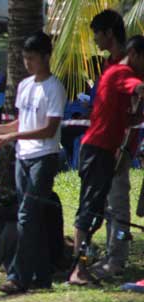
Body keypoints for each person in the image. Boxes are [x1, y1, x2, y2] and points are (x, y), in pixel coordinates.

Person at [0, 32, 67, 294]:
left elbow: (48, 129)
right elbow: (24, 122)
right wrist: (0, 129)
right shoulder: (25, 86)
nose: (28, 63)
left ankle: (18, 276)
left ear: (46, 57)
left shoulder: (55, 88)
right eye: (25, 59)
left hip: (43, 158)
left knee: (26, 216)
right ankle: (42, 277)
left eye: (32, 59)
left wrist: (12, 135)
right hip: (23, 157)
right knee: (32, 218)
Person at [70, 35, 144, 285]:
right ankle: (107, 260)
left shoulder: (117, 74)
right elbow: (137, 88)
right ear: (134, 55)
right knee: (107, 208)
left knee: (112, 207)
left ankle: (112, 258)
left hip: (117, 151)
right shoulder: (122, 74)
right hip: (104, 151)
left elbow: (128, 116)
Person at [87, 10, 132, 280]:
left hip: (119, 143)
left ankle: (118, 259)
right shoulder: (109, 64)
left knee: (118, 203)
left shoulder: (129, 65)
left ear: (109, 34)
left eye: (97, 34)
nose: (94, 39)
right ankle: (110, 255)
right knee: (105, 203)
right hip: (102, 142)